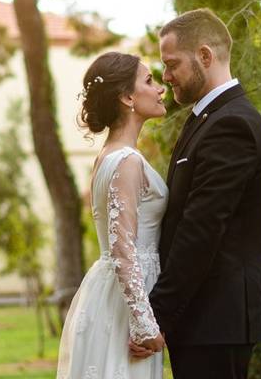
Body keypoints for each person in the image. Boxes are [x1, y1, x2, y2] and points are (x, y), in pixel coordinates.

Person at [136, 8, 261, 379]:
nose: (165, 77)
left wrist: (157, 314)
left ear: (205, 56)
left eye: (171, 64)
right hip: (203, 318)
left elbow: (202, 227)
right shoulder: (207, 118)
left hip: (217, 318)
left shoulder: (232, 124)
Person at [57, 52, 169, 379]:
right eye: (149, 81)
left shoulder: (107, 157)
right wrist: (144, 324)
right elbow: (123, 249)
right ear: (127, 97)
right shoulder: (126, 161)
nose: (160, 88)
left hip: (116, 295)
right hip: (125, 306)